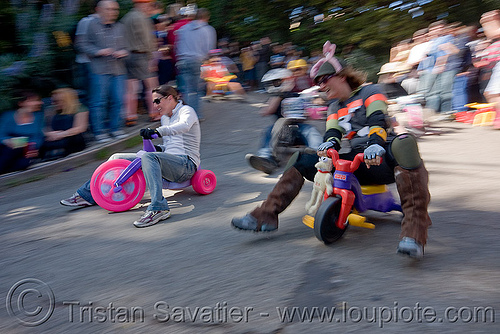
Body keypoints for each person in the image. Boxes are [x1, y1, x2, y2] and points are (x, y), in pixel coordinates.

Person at [232, 41, 432, 259]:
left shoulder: (371, 91)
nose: (320, 86)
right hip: (357, 163)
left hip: (382, 157)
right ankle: (266, 215)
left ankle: (413, 234)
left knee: (405, 142)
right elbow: (333, 134)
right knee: (300, 158)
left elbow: (377, 119)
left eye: (324, 80)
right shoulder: (334, 106)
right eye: (317, 83)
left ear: (342, 76)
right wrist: (327, 146)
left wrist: (376, 143)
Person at [60, 85, 201, 228]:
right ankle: (87, 195)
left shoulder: (186, 111)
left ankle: (159, 208)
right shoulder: (165, 118)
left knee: (149, 157)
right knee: (117, 158)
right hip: (170, 162)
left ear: (169, 98)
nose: (155, 105)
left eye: (157, 101)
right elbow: (171, 145)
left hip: (186, 165)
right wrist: (160, 148)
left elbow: (183, 126)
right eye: (153, 102)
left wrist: (157, 132)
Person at [245, 66, 322, 174]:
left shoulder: (296, 95)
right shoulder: (274, 98)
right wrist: (278, 97)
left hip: (299, 128)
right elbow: (266, 111)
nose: (273, 85)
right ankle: (266, 158)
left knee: (311, 131)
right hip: (282, 130)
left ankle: (317, 153)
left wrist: (311, 105)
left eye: (276, 82)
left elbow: (309, 112)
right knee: (268, 131)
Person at [76, 0, 128, 143]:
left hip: (118, 69)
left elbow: (127, 47)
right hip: (98, 69)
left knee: (118, 100)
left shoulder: (120, 27)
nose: (113, 12)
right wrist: (98, 51)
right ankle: (99, 132)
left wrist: (124, 52)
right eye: (109, 9)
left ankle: (116, 129)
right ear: (99, 10)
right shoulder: (89, 24)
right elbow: (81, 44)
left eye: (115, 9)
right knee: (99, 101)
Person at [121, 0, 160, 126]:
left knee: (130, 88)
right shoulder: (142, 18)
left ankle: (130, 116)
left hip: (128, 56)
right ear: (141, 4)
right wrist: (151, 58)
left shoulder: (126, 17)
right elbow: (147, 39)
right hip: (142, 55)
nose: (149, 7)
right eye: (148, 4)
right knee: (151, 85)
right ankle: (155, 113)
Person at [175, 8, 217, 120]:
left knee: (187, 90)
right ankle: (195, 115)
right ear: (206, 17)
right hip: (198, 61)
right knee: (197, 90)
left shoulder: (183, 29)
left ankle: (186, 115)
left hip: (183, 60)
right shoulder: (208, 29)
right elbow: (209, 49)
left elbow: (177, 45)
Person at [0, 90, 44, 174]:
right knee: (9, 150)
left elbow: (38, 136)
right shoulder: (8, 116)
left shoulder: (38, 117)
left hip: (27, 148)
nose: (38, 103)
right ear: (21, 103)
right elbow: (1, 134)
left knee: (23, 163)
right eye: (32, 100)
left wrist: (33, 147)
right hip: (7, 147)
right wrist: (6, 140)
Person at [39, 88, 89, 160]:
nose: (53, 104)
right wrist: (50, 134)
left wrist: (62, 134)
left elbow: (80, 128)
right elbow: (45, 128)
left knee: (70, 141)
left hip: (71, 136)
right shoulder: (50, 110)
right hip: (54, 136)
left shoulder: (80, 109)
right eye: (52, 101)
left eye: (56, 101)